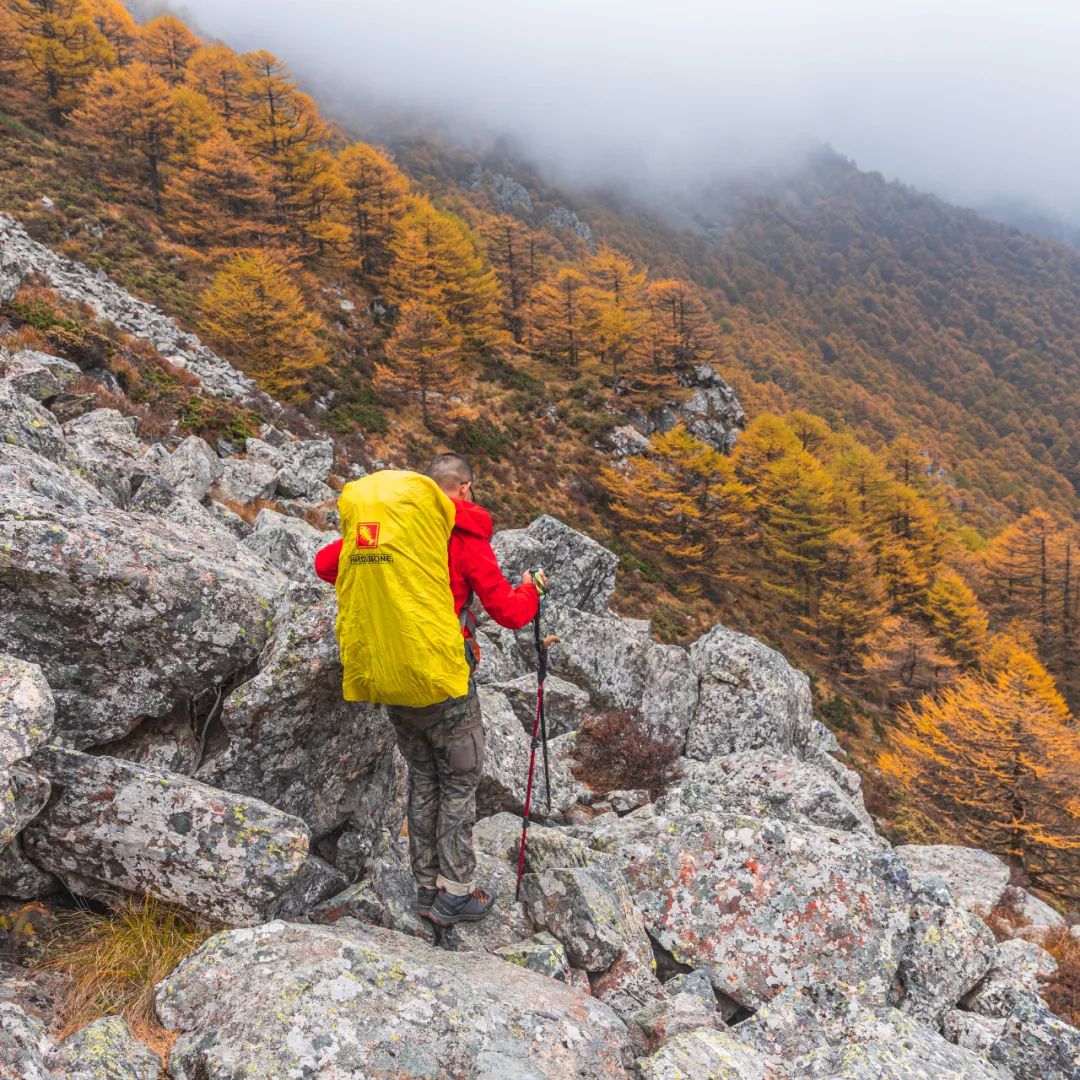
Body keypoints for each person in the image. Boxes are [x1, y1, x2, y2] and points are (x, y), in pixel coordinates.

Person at [314, 453, 543, 926]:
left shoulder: (386, 532)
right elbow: (509, 612)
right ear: (463, 489)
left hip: (391, 678)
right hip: (443, 681)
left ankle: (425, 889)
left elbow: (326, 564)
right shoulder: (460, 537)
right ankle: (455, 893)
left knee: (423, 778)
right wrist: (532, 590)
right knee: (459, 781)